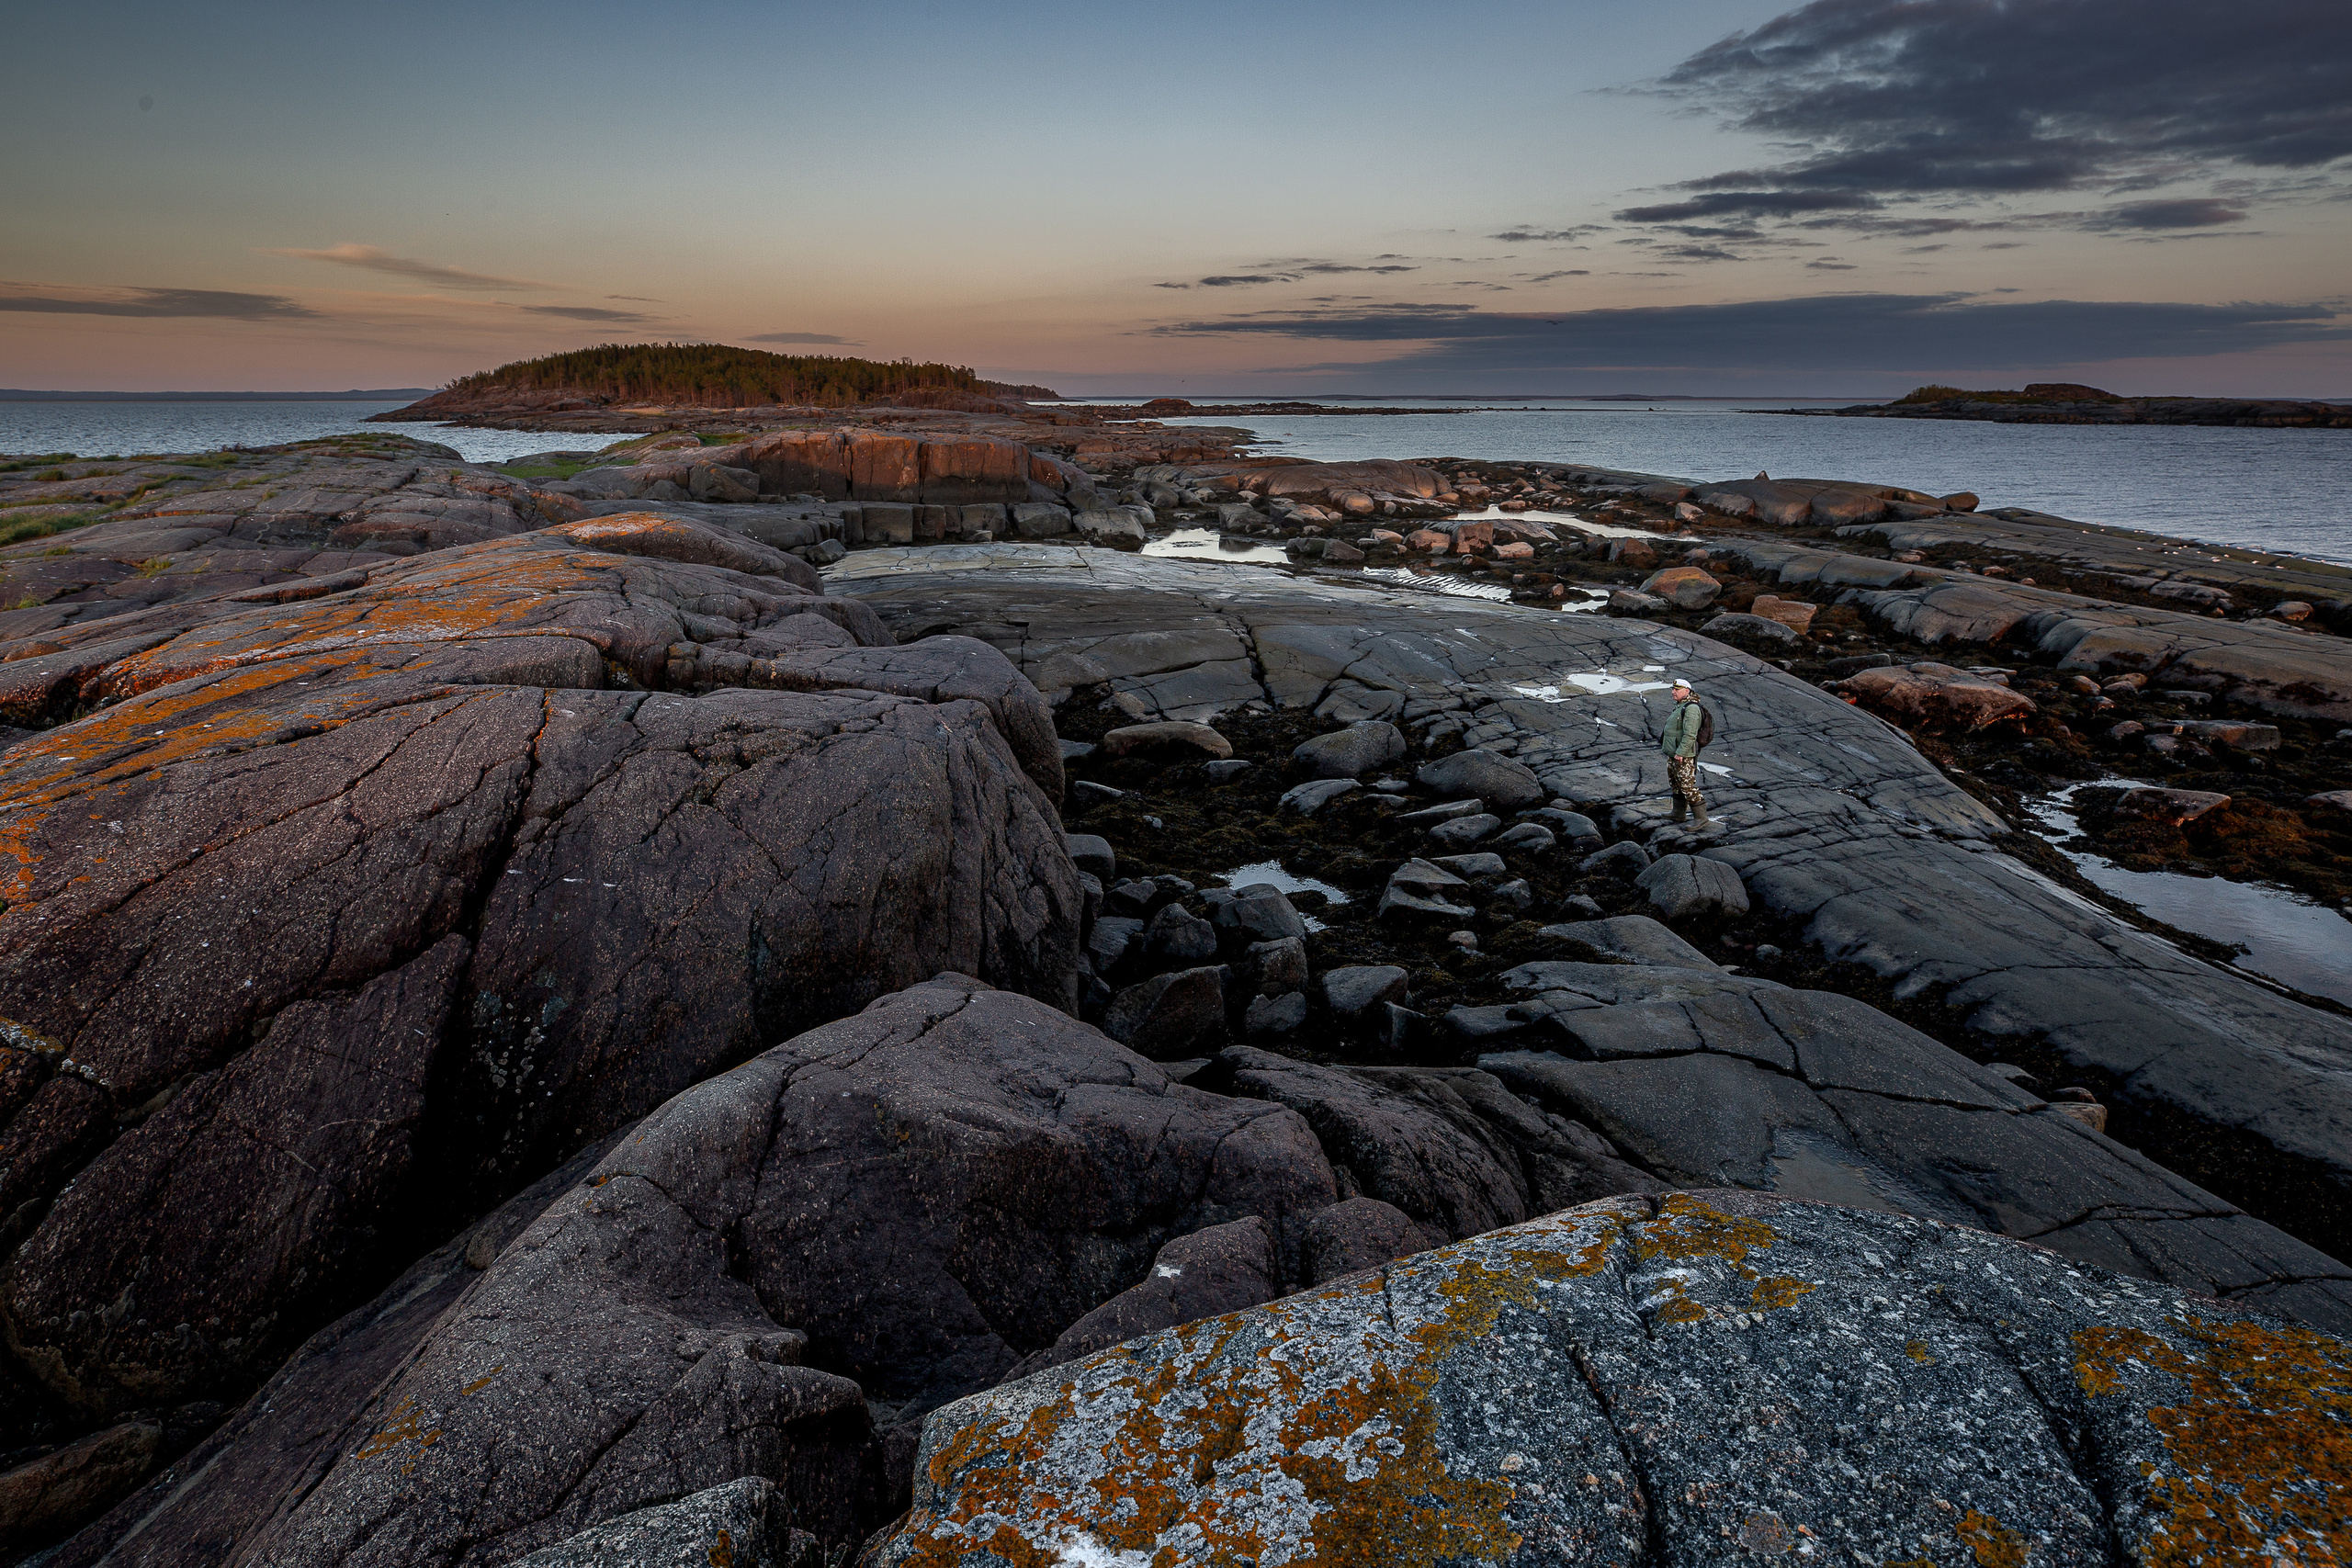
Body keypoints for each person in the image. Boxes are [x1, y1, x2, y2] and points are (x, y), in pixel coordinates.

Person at [1660, 677, 1709, 827]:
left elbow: (1690, 734)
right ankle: (1678, 813)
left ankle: (1701, 819)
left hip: (1684, 756)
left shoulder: (1692, 708)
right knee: (1676, 783)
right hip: (1674, 754)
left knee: (1687, 786)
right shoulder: (1680, 706)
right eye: (1673, 689)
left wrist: (1680, 753)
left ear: (1687, 691)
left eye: (1676, 690)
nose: (1673, 692)